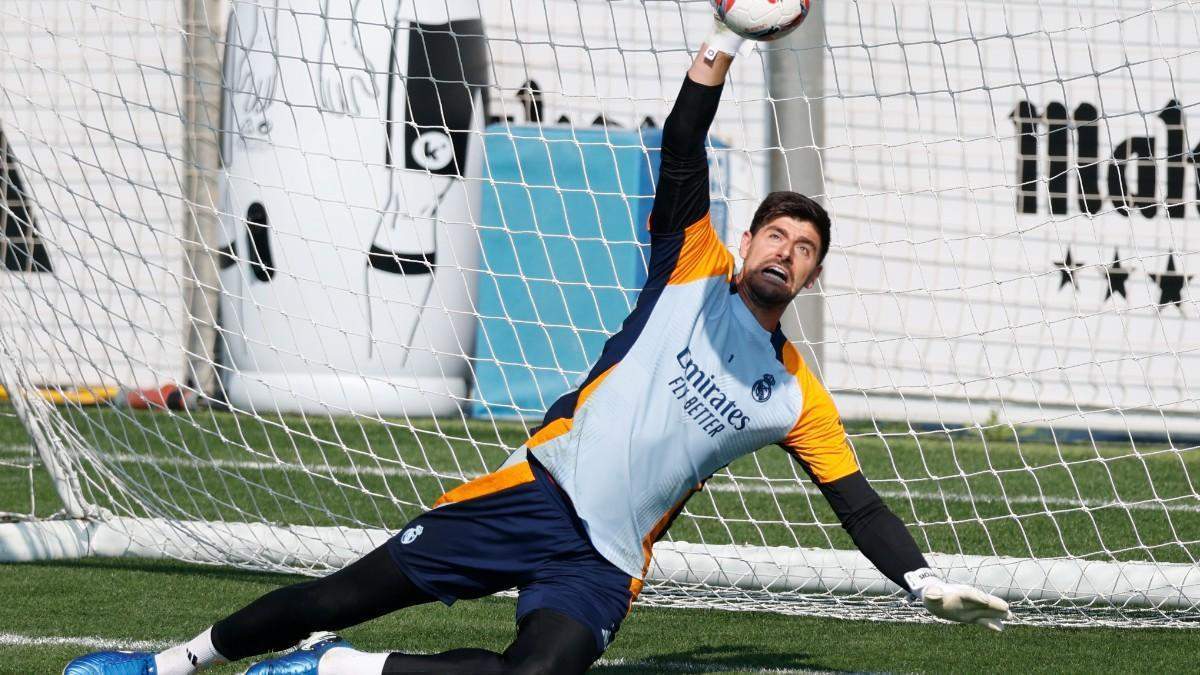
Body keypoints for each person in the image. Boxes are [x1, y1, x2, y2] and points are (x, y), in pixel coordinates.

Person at [65, 17, 1010, 675]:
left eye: (805, 251)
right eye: (777, 234)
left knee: (538, 674)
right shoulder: (690, 260)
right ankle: (170, 660)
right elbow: (683, 143)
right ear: (749, 239)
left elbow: (859, 503)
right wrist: (724, 39)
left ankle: (345, 670)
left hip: (600, 559)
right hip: (532, 497)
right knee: (338, 591)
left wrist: (923, 577)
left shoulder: (794, 394)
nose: (786, 252)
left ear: (808, 279)